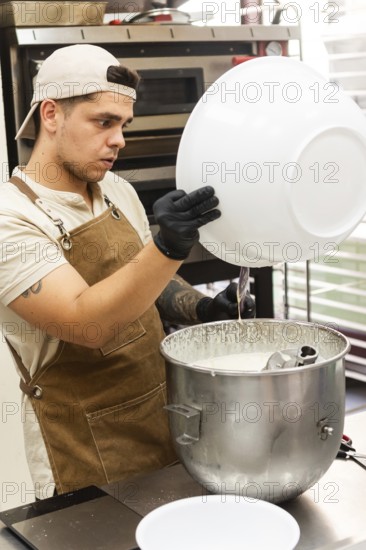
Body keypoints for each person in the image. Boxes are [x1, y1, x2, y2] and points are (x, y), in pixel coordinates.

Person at [0, 44, 255, 499]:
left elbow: (145, 281)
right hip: (85, 451)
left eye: (123, 125)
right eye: (103, 122)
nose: (119, 140)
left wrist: (201, 308)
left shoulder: (115, 189)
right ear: (52, 114)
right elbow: (86, 323)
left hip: (162, 419)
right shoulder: (12, 217)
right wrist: (166, 245)